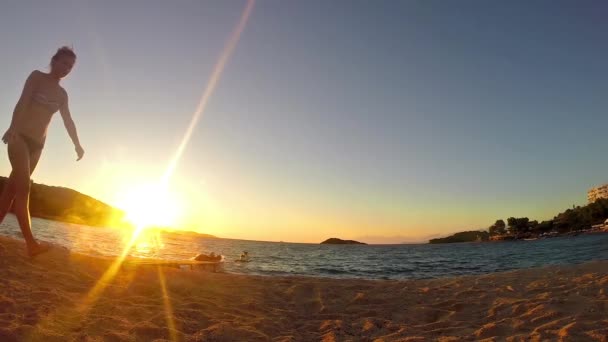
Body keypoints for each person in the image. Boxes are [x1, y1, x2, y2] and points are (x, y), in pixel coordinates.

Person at [0, 46, 84, 257]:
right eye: (64, 62)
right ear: (54, 60)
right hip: (19, 137)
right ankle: (31, 244)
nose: (66, 68)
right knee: (25, 187)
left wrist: (77, 143)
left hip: (38, 146)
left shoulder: (62, 94)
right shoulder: (37, 77)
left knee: (10, 192)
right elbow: (22, 102)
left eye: (70, 66)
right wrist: (12, 127)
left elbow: (68, 120)